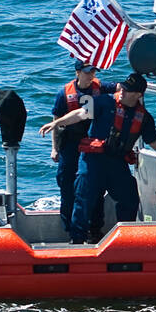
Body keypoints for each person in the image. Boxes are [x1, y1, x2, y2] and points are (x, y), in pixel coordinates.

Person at [39, 72, 156, 243]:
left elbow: (155, 142)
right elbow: (80, 114)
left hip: (116, 163)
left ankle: (124, 238)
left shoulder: (144, 117)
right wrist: (57, 123)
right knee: (84, 198)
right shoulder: (104, 101)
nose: (123, 91)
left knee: (130, 197)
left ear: (139, 95)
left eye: (129, 90)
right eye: (123, 88)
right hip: (92, 161)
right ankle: (77, 240)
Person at [50, 60, 114, 236]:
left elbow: (122, 90)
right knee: (67, 185)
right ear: (77, 72)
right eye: (87, 72)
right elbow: (56, 123)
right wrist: (54, 149)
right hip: (70, 145)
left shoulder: (102, 87)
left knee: (95, 186)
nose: (90, 75)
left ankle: (95, 228)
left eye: (93, 71)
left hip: (93, 145)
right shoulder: (64, 93)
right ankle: (70, 229)